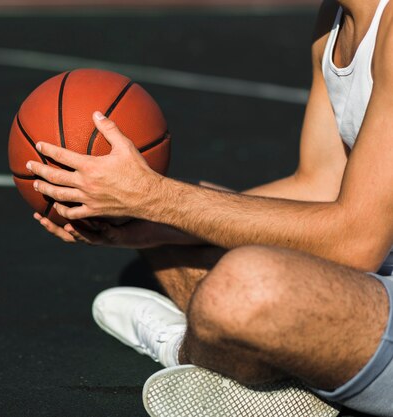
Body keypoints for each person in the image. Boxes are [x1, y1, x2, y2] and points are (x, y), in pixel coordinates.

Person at [25, 0, 393, 416]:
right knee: (170, 212)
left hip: (370, 260)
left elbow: (357, 243)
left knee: (245, 284)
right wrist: (151, 220)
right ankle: (264, 364)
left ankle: (186, 350)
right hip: (375, 269)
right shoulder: (334, 21)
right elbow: (319, 184)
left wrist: (156, 198)